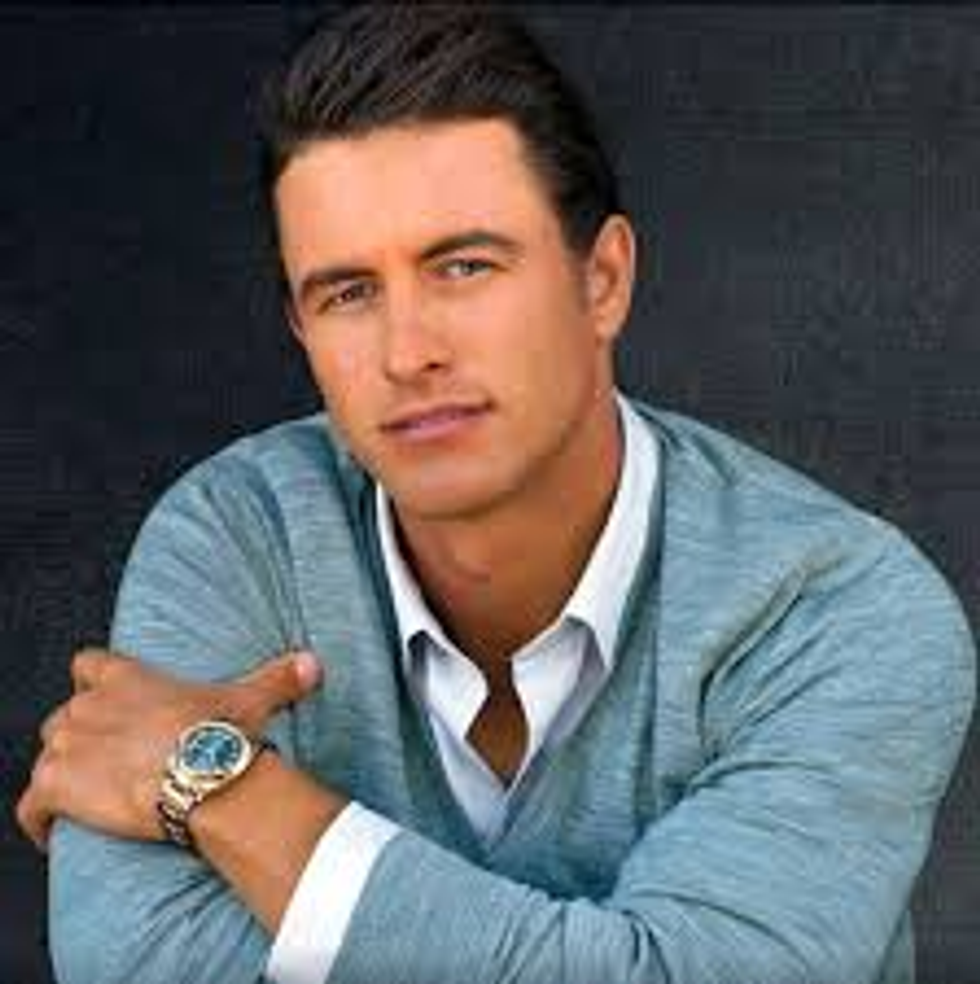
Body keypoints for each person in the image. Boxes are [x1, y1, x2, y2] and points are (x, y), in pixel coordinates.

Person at [16, 6, 976, 984]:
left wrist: (223, 789)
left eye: (464, 267)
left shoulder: (840, 611)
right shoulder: (238, 536)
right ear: (301, 329)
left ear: (602, 281)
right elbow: (138, 962)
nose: (407, 353)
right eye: (348, 292)